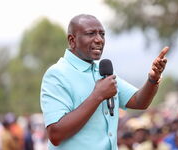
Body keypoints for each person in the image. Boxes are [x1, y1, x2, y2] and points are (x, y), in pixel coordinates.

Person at [40, 14, 169, 150]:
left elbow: (139, 101)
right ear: (72, 40)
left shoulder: (102, 71)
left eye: (102, 34)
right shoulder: (57, 75)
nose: (99, 40)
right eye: (91, 34)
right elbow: (55, 134)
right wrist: (98, 95)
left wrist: (153, 79)